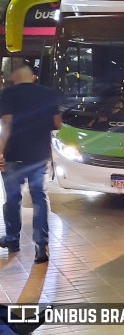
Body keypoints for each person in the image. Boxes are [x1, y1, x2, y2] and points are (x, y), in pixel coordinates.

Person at [0, 65, 61, 264]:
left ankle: (12, 240)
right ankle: (41, 246)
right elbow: (57, 123)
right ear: (33, 76)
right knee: (39, 198)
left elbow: (7, 124)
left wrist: (0, 151)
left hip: (13, 156)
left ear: (14, 76)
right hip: (39, 155)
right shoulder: (48, 94)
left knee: (12, 199)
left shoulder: (8, 94)